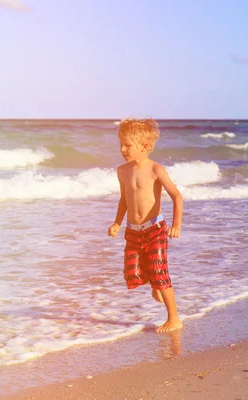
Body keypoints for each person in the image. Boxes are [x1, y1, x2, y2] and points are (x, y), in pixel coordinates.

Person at [108, 117, 184, 333]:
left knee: (160, 271)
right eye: (120, 144)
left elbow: (177, 197)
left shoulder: (156, 170)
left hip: (154, 229)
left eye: (128, 145)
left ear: (144, 146)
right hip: (133, 230)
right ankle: (155, 284)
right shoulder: (122, 171)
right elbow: (124, 200)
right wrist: (116, 223)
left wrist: (176, 224)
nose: (123, 149)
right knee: (133, 272)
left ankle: (174, 318)